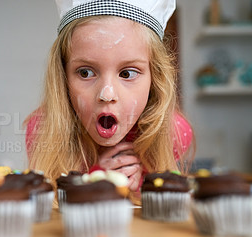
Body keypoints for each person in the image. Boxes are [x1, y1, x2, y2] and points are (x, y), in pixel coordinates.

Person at [25, 0, 194, 195]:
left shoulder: (173, 132)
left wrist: (141, 185)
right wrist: (96, 179)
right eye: (86, 73)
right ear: (63, 77)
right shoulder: (42, 130)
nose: (107, 94)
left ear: (155, 78)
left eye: (127, 74)